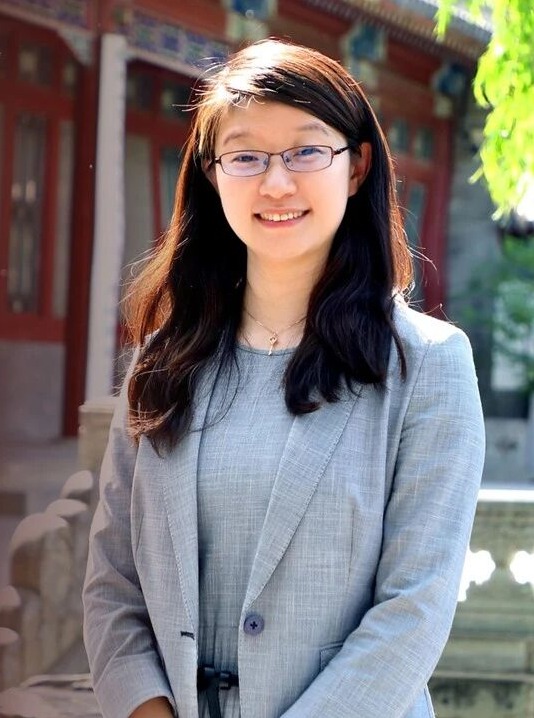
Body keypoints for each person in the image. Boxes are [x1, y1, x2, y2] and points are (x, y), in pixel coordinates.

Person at [82, 37, 485, 718]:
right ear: (213, 173)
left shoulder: (427, 365)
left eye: (305, 152)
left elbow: (415, 609)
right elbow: (112, 587)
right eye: (245, 156)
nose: (275, 183)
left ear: (356, 166)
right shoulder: (163, 363)